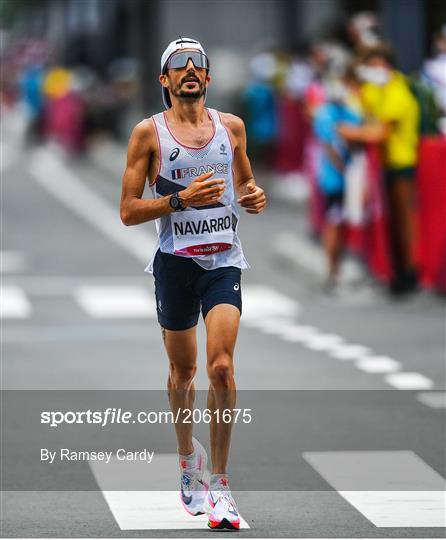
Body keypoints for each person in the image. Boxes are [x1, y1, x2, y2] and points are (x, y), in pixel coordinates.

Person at [120, 37, 266, 530]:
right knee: (182, 375)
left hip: (223, 261)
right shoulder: (148, 134)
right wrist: (181, 201)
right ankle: (188, 460)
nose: (188, 70)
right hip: (175, 265)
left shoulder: (231, 128)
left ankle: (221, 486)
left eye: (197, 64)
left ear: (207, 77)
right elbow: (127, 210)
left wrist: (253, 195)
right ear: (164, 80)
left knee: (221, 367)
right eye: (177, 65)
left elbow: (245, 182)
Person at [338, 45, 420, 294]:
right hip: (386, 164)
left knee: (404, 222)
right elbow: (360, 102)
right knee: (392, 223)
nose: (372, 71)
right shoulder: (380, 90)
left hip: (402, 163)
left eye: (375, 65)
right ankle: (397, 274)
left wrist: (352, 132)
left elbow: (381, 132)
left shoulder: (398, 91)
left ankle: (409, 274)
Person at [313, 67, 363, 290]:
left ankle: (338, 267)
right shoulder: (325, 113)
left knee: (342, 223)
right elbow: (329, 147)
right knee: (334, 222)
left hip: (349, 180)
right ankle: (332, 269)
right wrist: (346, 170)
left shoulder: (351, 112)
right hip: (334, 180)